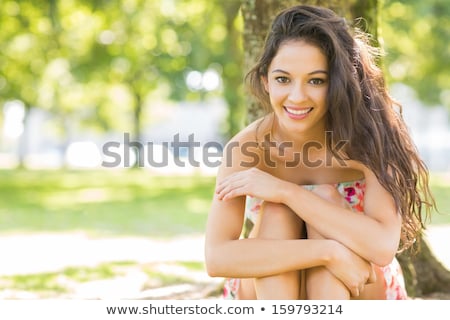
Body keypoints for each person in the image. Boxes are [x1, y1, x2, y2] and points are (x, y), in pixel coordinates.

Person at [204, 4, 435, 300]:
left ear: (337, 83)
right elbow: (217, 257)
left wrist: (287, 191)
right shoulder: (246, 148)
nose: (297, 96)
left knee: (320, 198)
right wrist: (326, 252)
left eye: (316, 80)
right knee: (276, 211)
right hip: (275, 284)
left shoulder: (369, 140)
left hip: (354, 284)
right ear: (266, 81)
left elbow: (381, 247)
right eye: (283, 79)